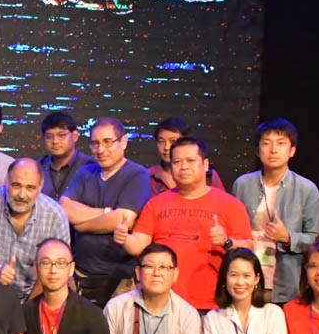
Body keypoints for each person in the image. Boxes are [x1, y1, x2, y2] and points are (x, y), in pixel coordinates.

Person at [118, 136, 251, 311]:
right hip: (164, 303)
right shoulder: (156, 204)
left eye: (190, 160)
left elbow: (249, 247)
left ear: (205, 164)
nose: (184, 167)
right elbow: (139, 245)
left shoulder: (230, 205)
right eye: (177, 162)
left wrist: (227, 242)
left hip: (211, 305)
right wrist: (124, 237)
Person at [230, 118, 319, 304]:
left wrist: (288, 238)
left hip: (286, 281)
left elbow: (315, 239)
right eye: (266, 143)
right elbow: (233, 229)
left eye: (281, 143)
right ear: (258, 150)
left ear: (292, 150)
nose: (273, 150)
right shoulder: (242, 185)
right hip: (245, 278)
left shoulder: (307, 189)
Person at [60, 118, 151, 304]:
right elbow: (64, 207)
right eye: (95, 143)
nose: (100, 149)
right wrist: (106, 212)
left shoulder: (137, 174)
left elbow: (123, 219)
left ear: (123, 142)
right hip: (80, 273)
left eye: (108, 142)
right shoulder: (85, 173)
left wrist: (82, 225)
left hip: (119, 278)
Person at [0, 157, 69, 299]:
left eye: (30, 188)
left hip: (37, 297)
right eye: (16, 185)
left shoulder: (55, 215)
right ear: (6, 181)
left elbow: (55, 272)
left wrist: (30, 307)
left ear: (40, 187)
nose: (22, 195)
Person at [22, 238, 112, 334]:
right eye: (46, 263)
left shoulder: (92, 315)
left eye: (61, 263)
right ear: (36, 269)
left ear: (71, 268)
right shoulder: (25, 312)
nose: (53, 270)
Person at [149, 117, 226, 195]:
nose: (166, 147)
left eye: (173, 141)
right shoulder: (148, 176)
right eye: (161, 141)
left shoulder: (208, 175)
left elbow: (222, 200)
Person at [37, 111, 94, 200]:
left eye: (61, 135)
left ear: (75, 136)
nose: (55, 141)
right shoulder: (37, 167)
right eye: (49, 136)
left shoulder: (91, 167)